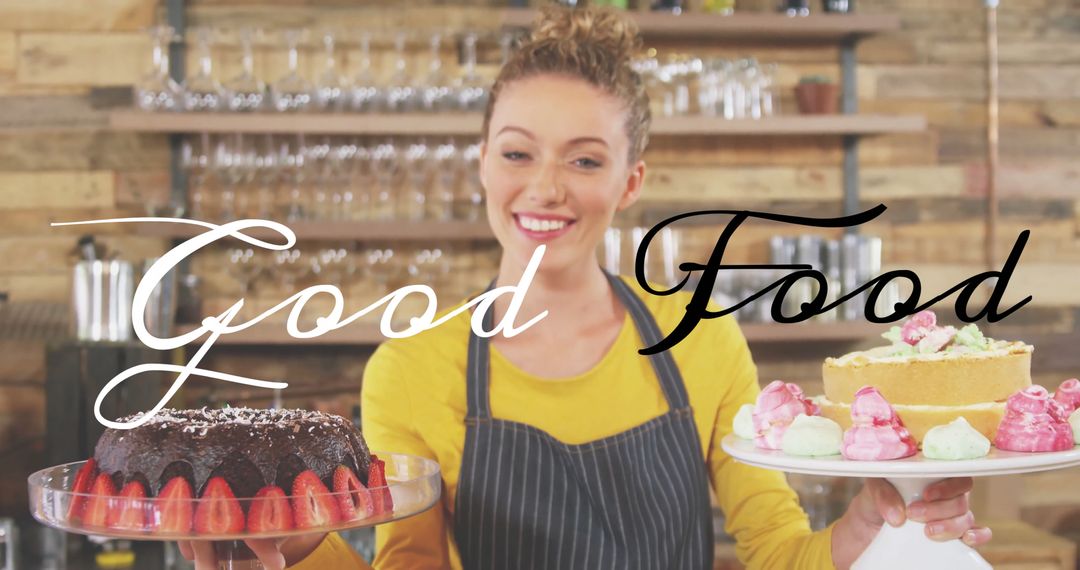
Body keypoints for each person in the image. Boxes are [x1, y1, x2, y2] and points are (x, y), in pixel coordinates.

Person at [180, 6, 990, 569]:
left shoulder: (700, 338)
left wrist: (867, 523)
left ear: (630, 181)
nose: (545, 189)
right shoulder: (413, 367)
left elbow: (778, 553)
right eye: (518, 152)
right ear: (481, 164)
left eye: (585, 159)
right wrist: (294, 549)